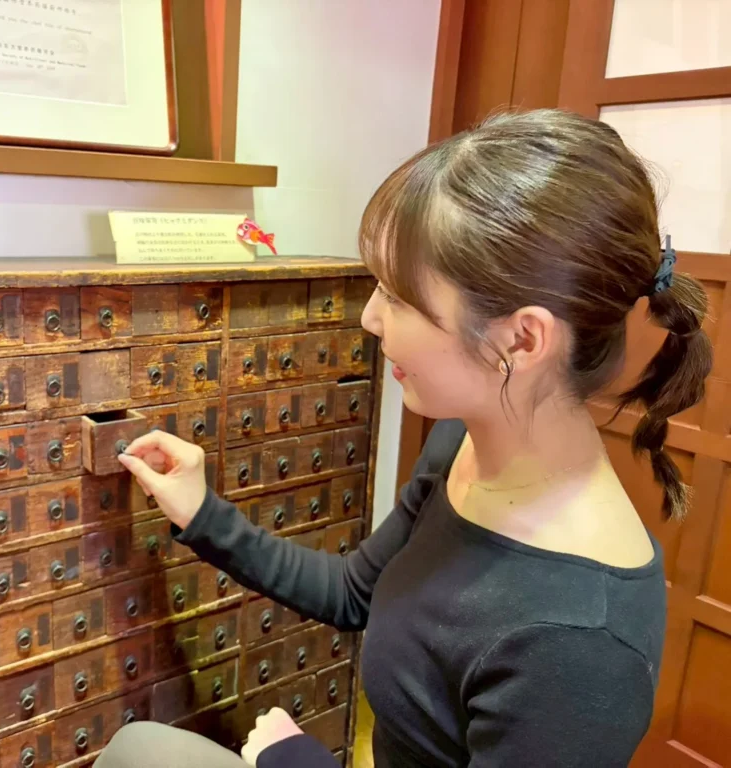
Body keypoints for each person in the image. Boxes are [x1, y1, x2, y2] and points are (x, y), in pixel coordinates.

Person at [92, 109, 713, 768]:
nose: (370, 317)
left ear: (522, 338)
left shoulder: (580, 644)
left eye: (400, 297)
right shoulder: (462, 447)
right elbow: (355, 593)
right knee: (137, 747)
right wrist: (202, 513)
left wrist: (293, 761)